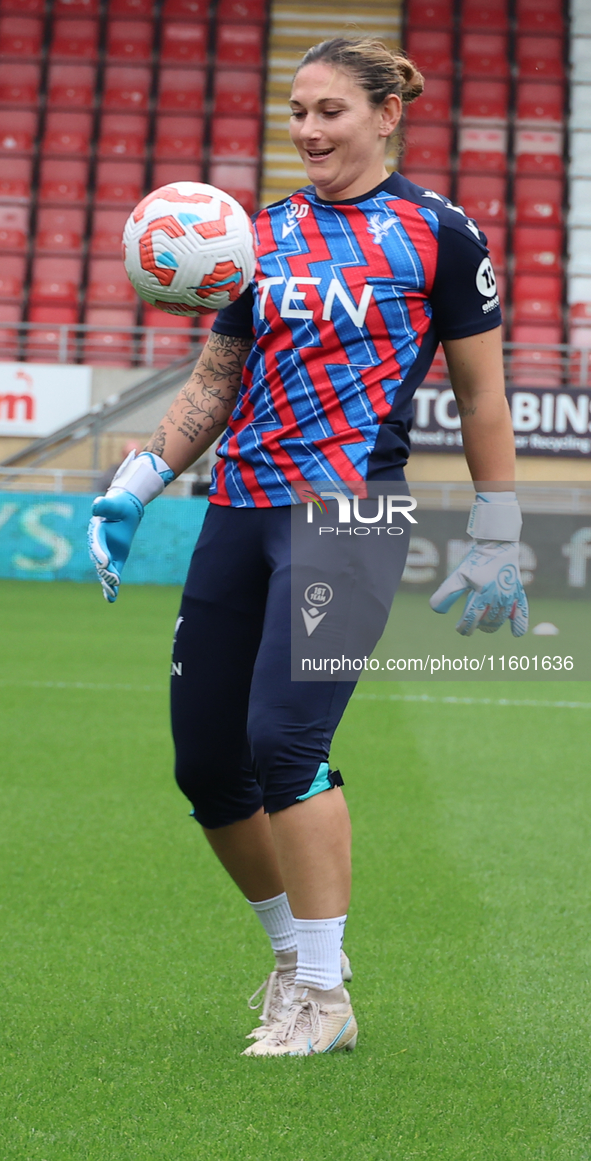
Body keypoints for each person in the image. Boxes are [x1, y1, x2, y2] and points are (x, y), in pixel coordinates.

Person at [88, 38, 527, 1057]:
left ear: (387, 115)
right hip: (239, 508)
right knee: (207, 763)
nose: (308, 130)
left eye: (330, 110)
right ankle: (295, 955)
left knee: (284, 741)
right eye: (296, 111)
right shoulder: (256, 237)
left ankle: (325, 1001)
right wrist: (138, 480)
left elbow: (482, 395)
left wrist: (497, 526)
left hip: (350, 515)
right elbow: (213, 384)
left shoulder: (440, 236)